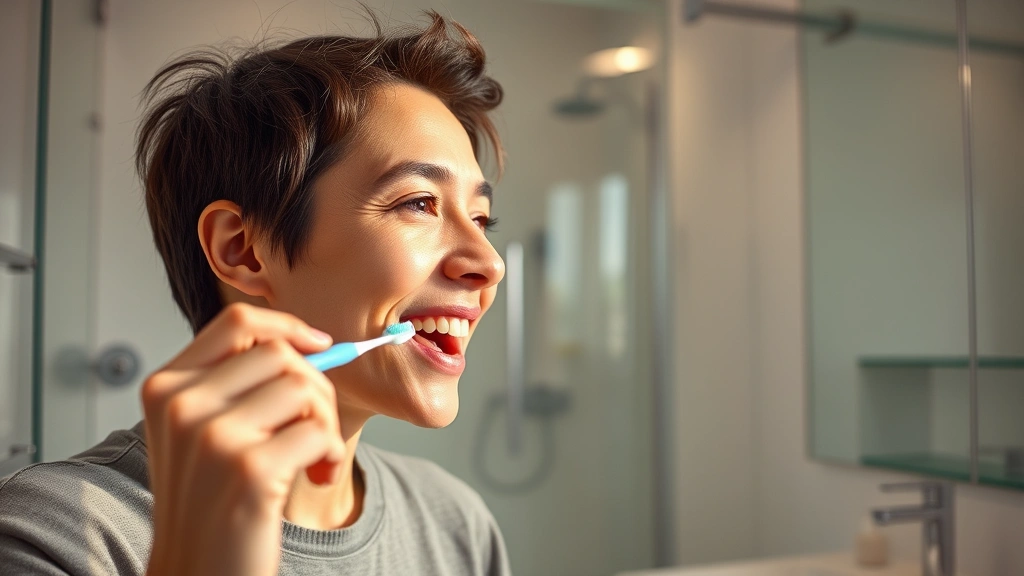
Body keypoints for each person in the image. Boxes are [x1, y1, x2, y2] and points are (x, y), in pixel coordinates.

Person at [0, 11, 511, 576]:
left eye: (481, 218)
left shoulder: (453, 521)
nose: (489, 263)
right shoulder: (53, 536)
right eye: (419, 203)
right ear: (242, 249)